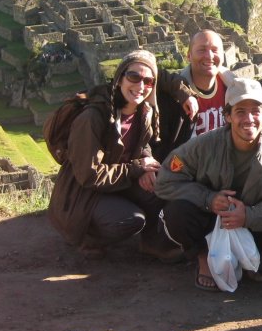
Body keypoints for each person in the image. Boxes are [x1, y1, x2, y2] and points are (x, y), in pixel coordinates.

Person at [156, 78, 262, 291]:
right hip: (211, 219)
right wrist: (208, 199)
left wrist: (249, 216)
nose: (249, 118)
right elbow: (166, 180)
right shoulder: (202, 146)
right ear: (227, 116)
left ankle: (251, 257)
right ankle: (204, 256)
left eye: (255, 111)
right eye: (240, 111)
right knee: (176, 213)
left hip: (256, 224)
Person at [48, 50, 185, 263]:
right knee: (128, 220)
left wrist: (146, 165)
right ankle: (88, 237)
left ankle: (151, 242)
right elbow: (89, 175)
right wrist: (137, 168)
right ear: (120, 77)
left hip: (116, 180)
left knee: (160, 185)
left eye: (148, 81)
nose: (141, 86)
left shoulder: (144, 112)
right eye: (134, 77)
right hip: (82, 195)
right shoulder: (93, 118)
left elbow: (142, 145)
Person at [154, 29, 234, 159]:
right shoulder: (173, 99)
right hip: (187, 171)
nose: (209, 56)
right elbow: (148, 74)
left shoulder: (231, 87)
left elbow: (252, 90)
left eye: (215, 50)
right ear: (189, 56)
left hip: (223, 166)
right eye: (202, 50)